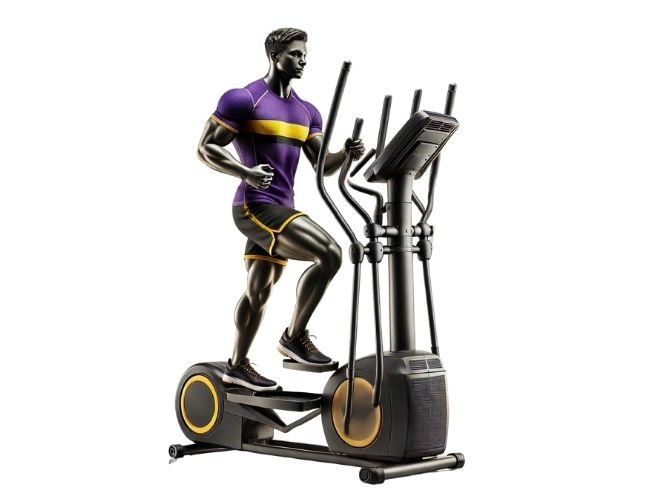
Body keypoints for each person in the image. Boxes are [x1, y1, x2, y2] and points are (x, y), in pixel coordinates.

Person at [197, 28, 364, 391]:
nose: (303, 60)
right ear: (275, 56)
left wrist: (346, 154)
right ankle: (294, 337)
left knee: (259, 289)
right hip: (254, 205)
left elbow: (323, 165)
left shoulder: (307, 112)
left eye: (305, 55)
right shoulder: (244, 99)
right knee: (330, 253)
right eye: (295, 54)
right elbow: (206, 147)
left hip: (282, 207)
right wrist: (244, 171)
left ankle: (236, 366)